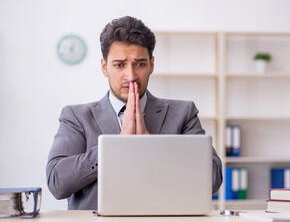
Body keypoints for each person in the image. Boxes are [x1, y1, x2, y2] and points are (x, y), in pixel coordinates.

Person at [46, 16, 223, 210]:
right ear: (105, 67)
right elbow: (57, 183)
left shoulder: (183, 113)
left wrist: (153, 146)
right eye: (119, 65)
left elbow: (213, 179)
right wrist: (116, 147)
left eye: (139, 64)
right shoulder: (76, 116)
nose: (130, 76)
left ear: (151, 65)